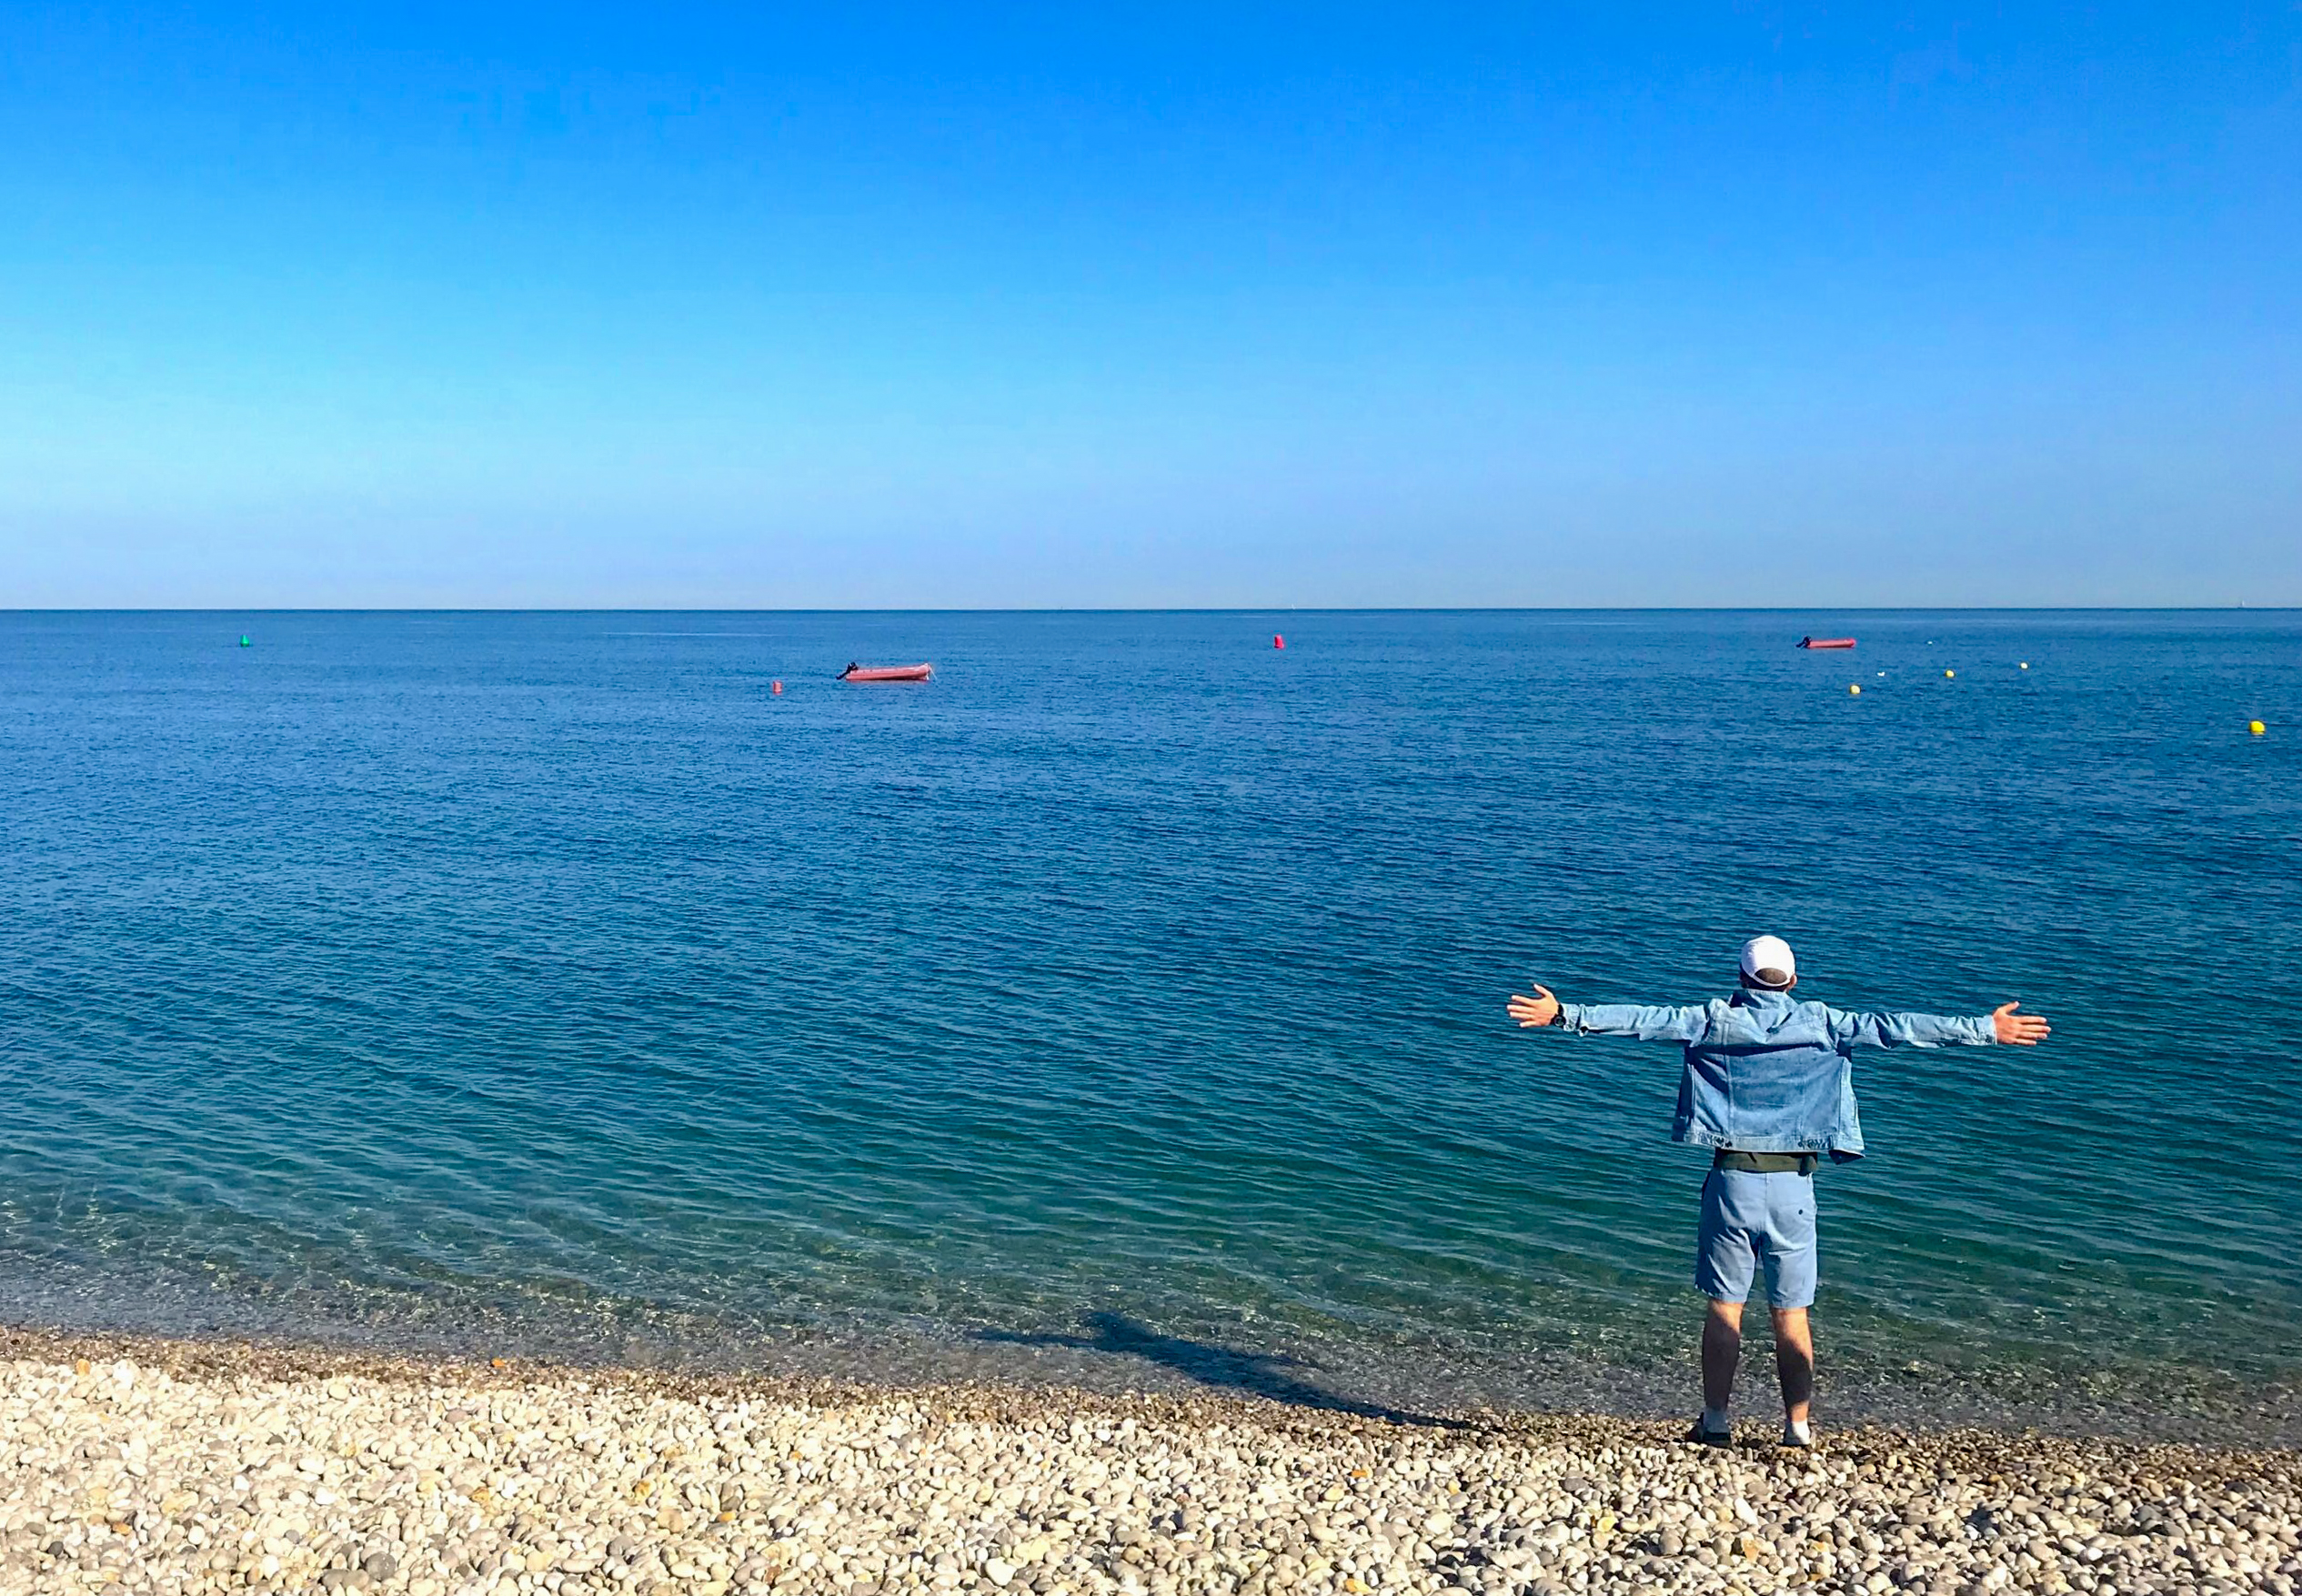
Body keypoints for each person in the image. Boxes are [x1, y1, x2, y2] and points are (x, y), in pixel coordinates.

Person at [1504, 936, 2049, 1449]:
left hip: (1732, 1182)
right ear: (1794, 981)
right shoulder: (1828, 1024)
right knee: (1792, 1315)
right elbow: (1901, 1027)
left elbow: (1644, 1021)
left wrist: (1565, 1015)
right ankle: (1798, 1426)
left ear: (1742, 979)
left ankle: (1716, 1420)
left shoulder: (1714, 1020)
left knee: (1726, 1307)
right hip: (1794, 1188)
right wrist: (1985, 1028)